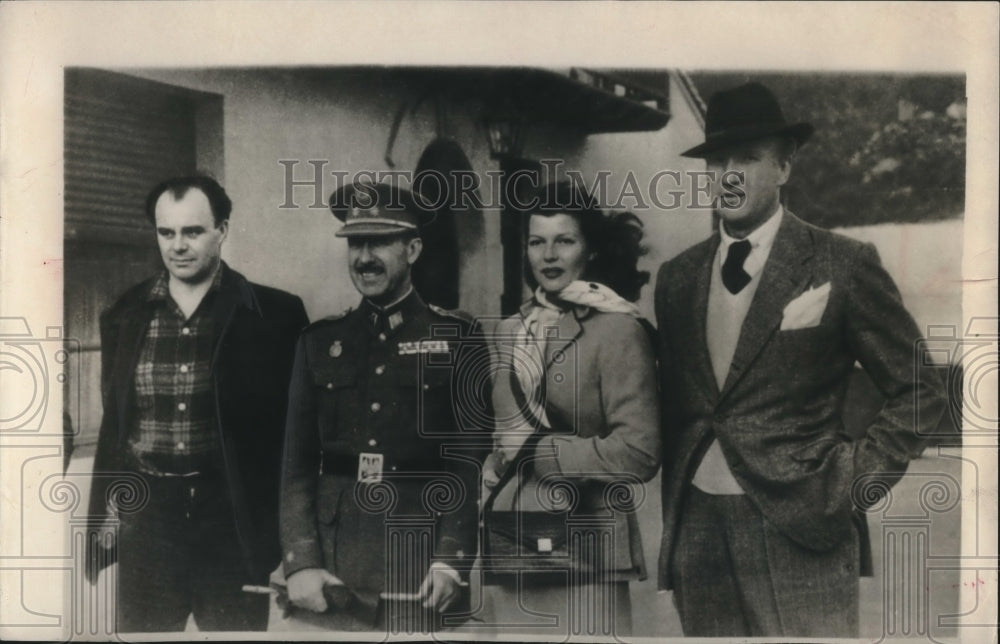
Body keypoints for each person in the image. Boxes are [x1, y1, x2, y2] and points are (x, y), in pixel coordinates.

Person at [654, 82, 946, 637]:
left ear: (784, 169)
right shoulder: (676, 278)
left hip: (803, 524)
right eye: (717, 161)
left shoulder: (843, 263)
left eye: (748, 159)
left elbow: (920, 386)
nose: (729, 175)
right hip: (699, 528)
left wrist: (852, 483)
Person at [85, 175, 309, 631]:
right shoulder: (124, 315)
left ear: (222, 230)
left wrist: (290, 543)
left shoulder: (273, 316)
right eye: (166, 233)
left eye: (193, 231)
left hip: (230, 522)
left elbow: (296, 438)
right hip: (148, 523)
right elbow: (117, 425)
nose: (178, 246)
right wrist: (109, 517)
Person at [279, 181, 490, 631]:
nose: (364, 258)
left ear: (412, 249)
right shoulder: (320, 342)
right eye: (356, 243)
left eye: (379, 243)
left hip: (418, 561)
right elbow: (296, 464)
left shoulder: (458, 337)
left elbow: (466, 463)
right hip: (332, 563)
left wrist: (451, 559)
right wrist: (300, 562)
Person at [481, 181, 661, 638]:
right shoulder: (508, 331)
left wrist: (545, 454)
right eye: (537, 242)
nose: (549, 255)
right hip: (516, 537)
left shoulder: (619, 329)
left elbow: (639, 452)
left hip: (590, 546)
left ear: (591, 250)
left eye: (565, 240)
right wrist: (494, 463)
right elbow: (501, 434)